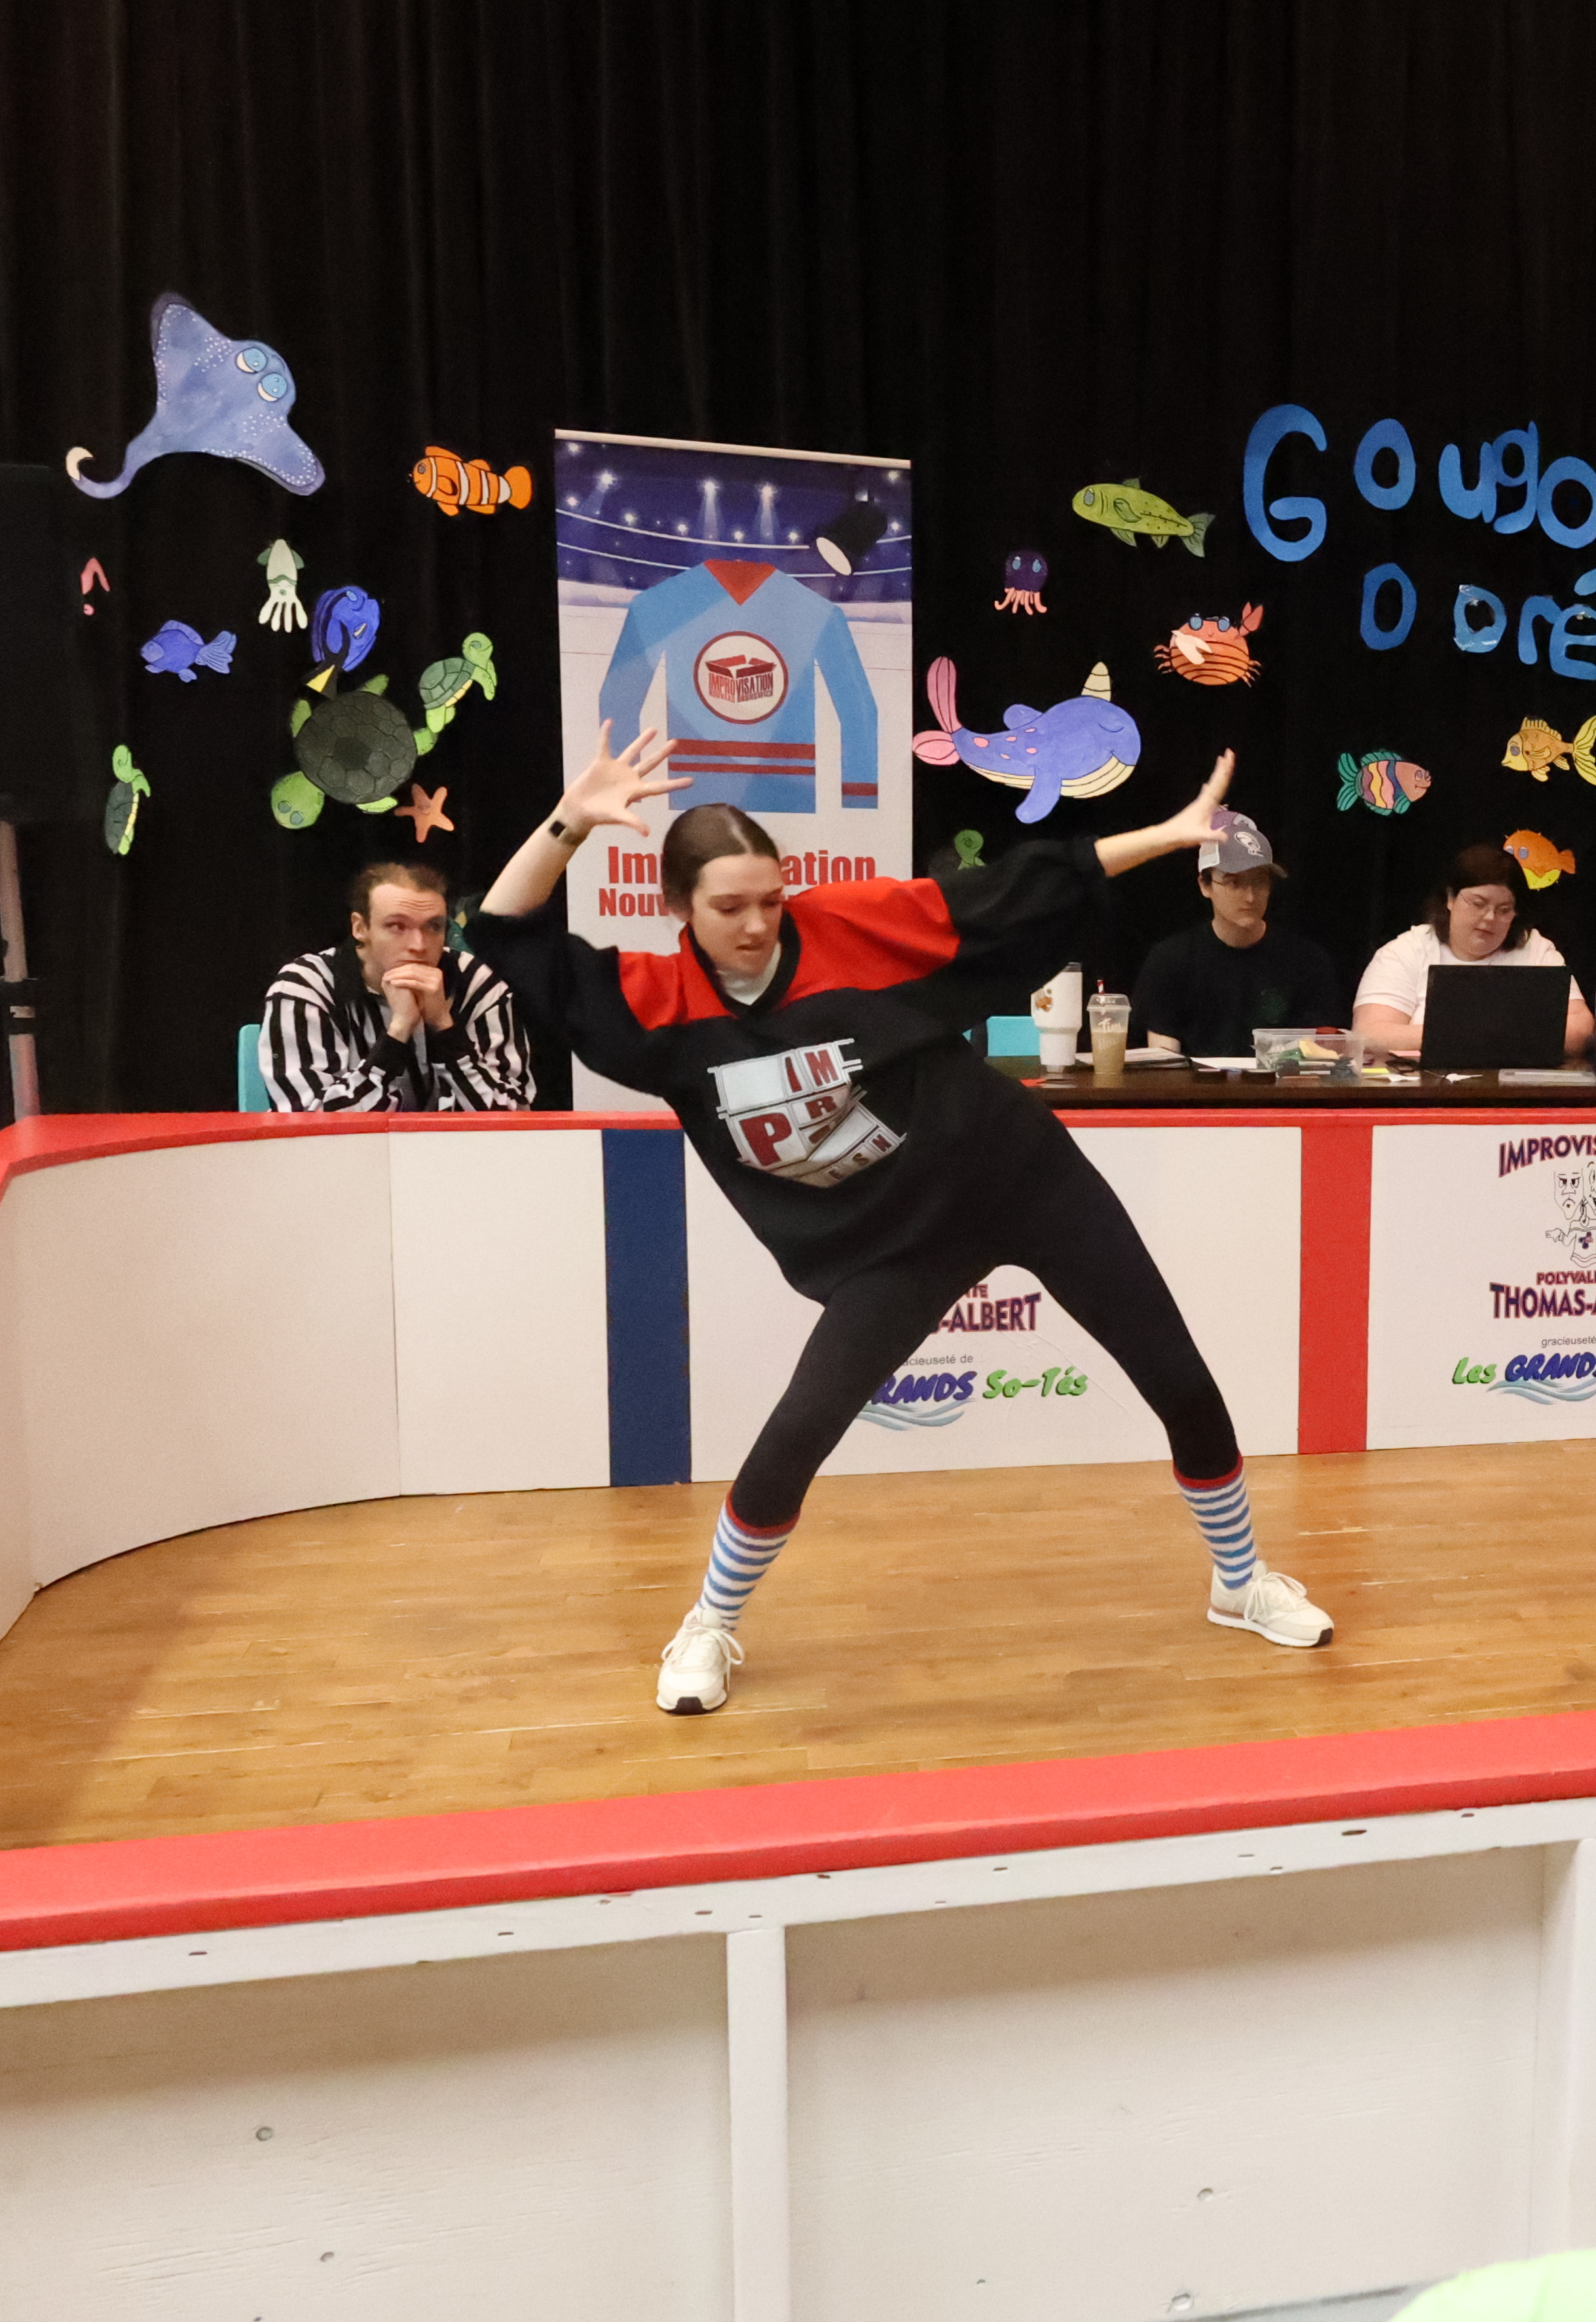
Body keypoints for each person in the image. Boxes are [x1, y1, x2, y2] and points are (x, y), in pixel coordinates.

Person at [466, 724, 1332, 1715]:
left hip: (1017, 1173)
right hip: (893, 1240)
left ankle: (1240, 1580)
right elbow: (504, 934)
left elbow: (1024, 885)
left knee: (1175, 1371)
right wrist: (569, 822)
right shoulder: (653, 1006)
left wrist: (1169, 835)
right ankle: (709, 1621)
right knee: (802, 1427)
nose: (757, 925)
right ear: (677, 910)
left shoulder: (853, 929)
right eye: (729, 907)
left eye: (770, 900)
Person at [259, 861, 534, 1112]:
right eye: (396, 927)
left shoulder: (475, 983)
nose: (419, 945)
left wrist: (444, 1027)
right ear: (360, 928)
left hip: (447, 1150)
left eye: (433, 927)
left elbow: (512, 1116)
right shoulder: (307, 986)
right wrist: (398, 1033)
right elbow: (311, 1120)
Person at [1349, 842, 1593, 1059]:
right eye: (1478, 904)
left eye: (1504, 909)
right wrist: (1485, 1037)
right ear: (1450, 899)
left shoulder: (1535, 949)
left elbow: (1581, 1029)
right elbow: (1370, 1035)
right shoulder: (1406, 951)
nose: (1489, 918)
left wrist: (1465, 1038)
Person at [1132, 811, 1344, 1057]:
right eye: (1234, 882)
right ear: (1205, 885)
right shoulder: (1171, 959)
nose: (1250, 896)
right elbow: (1163, 1059)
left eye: (1260, 881)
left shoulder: (1307, 961)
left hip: (1280, 1080)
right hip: (1193, 1082)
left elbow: (1319, 1052)